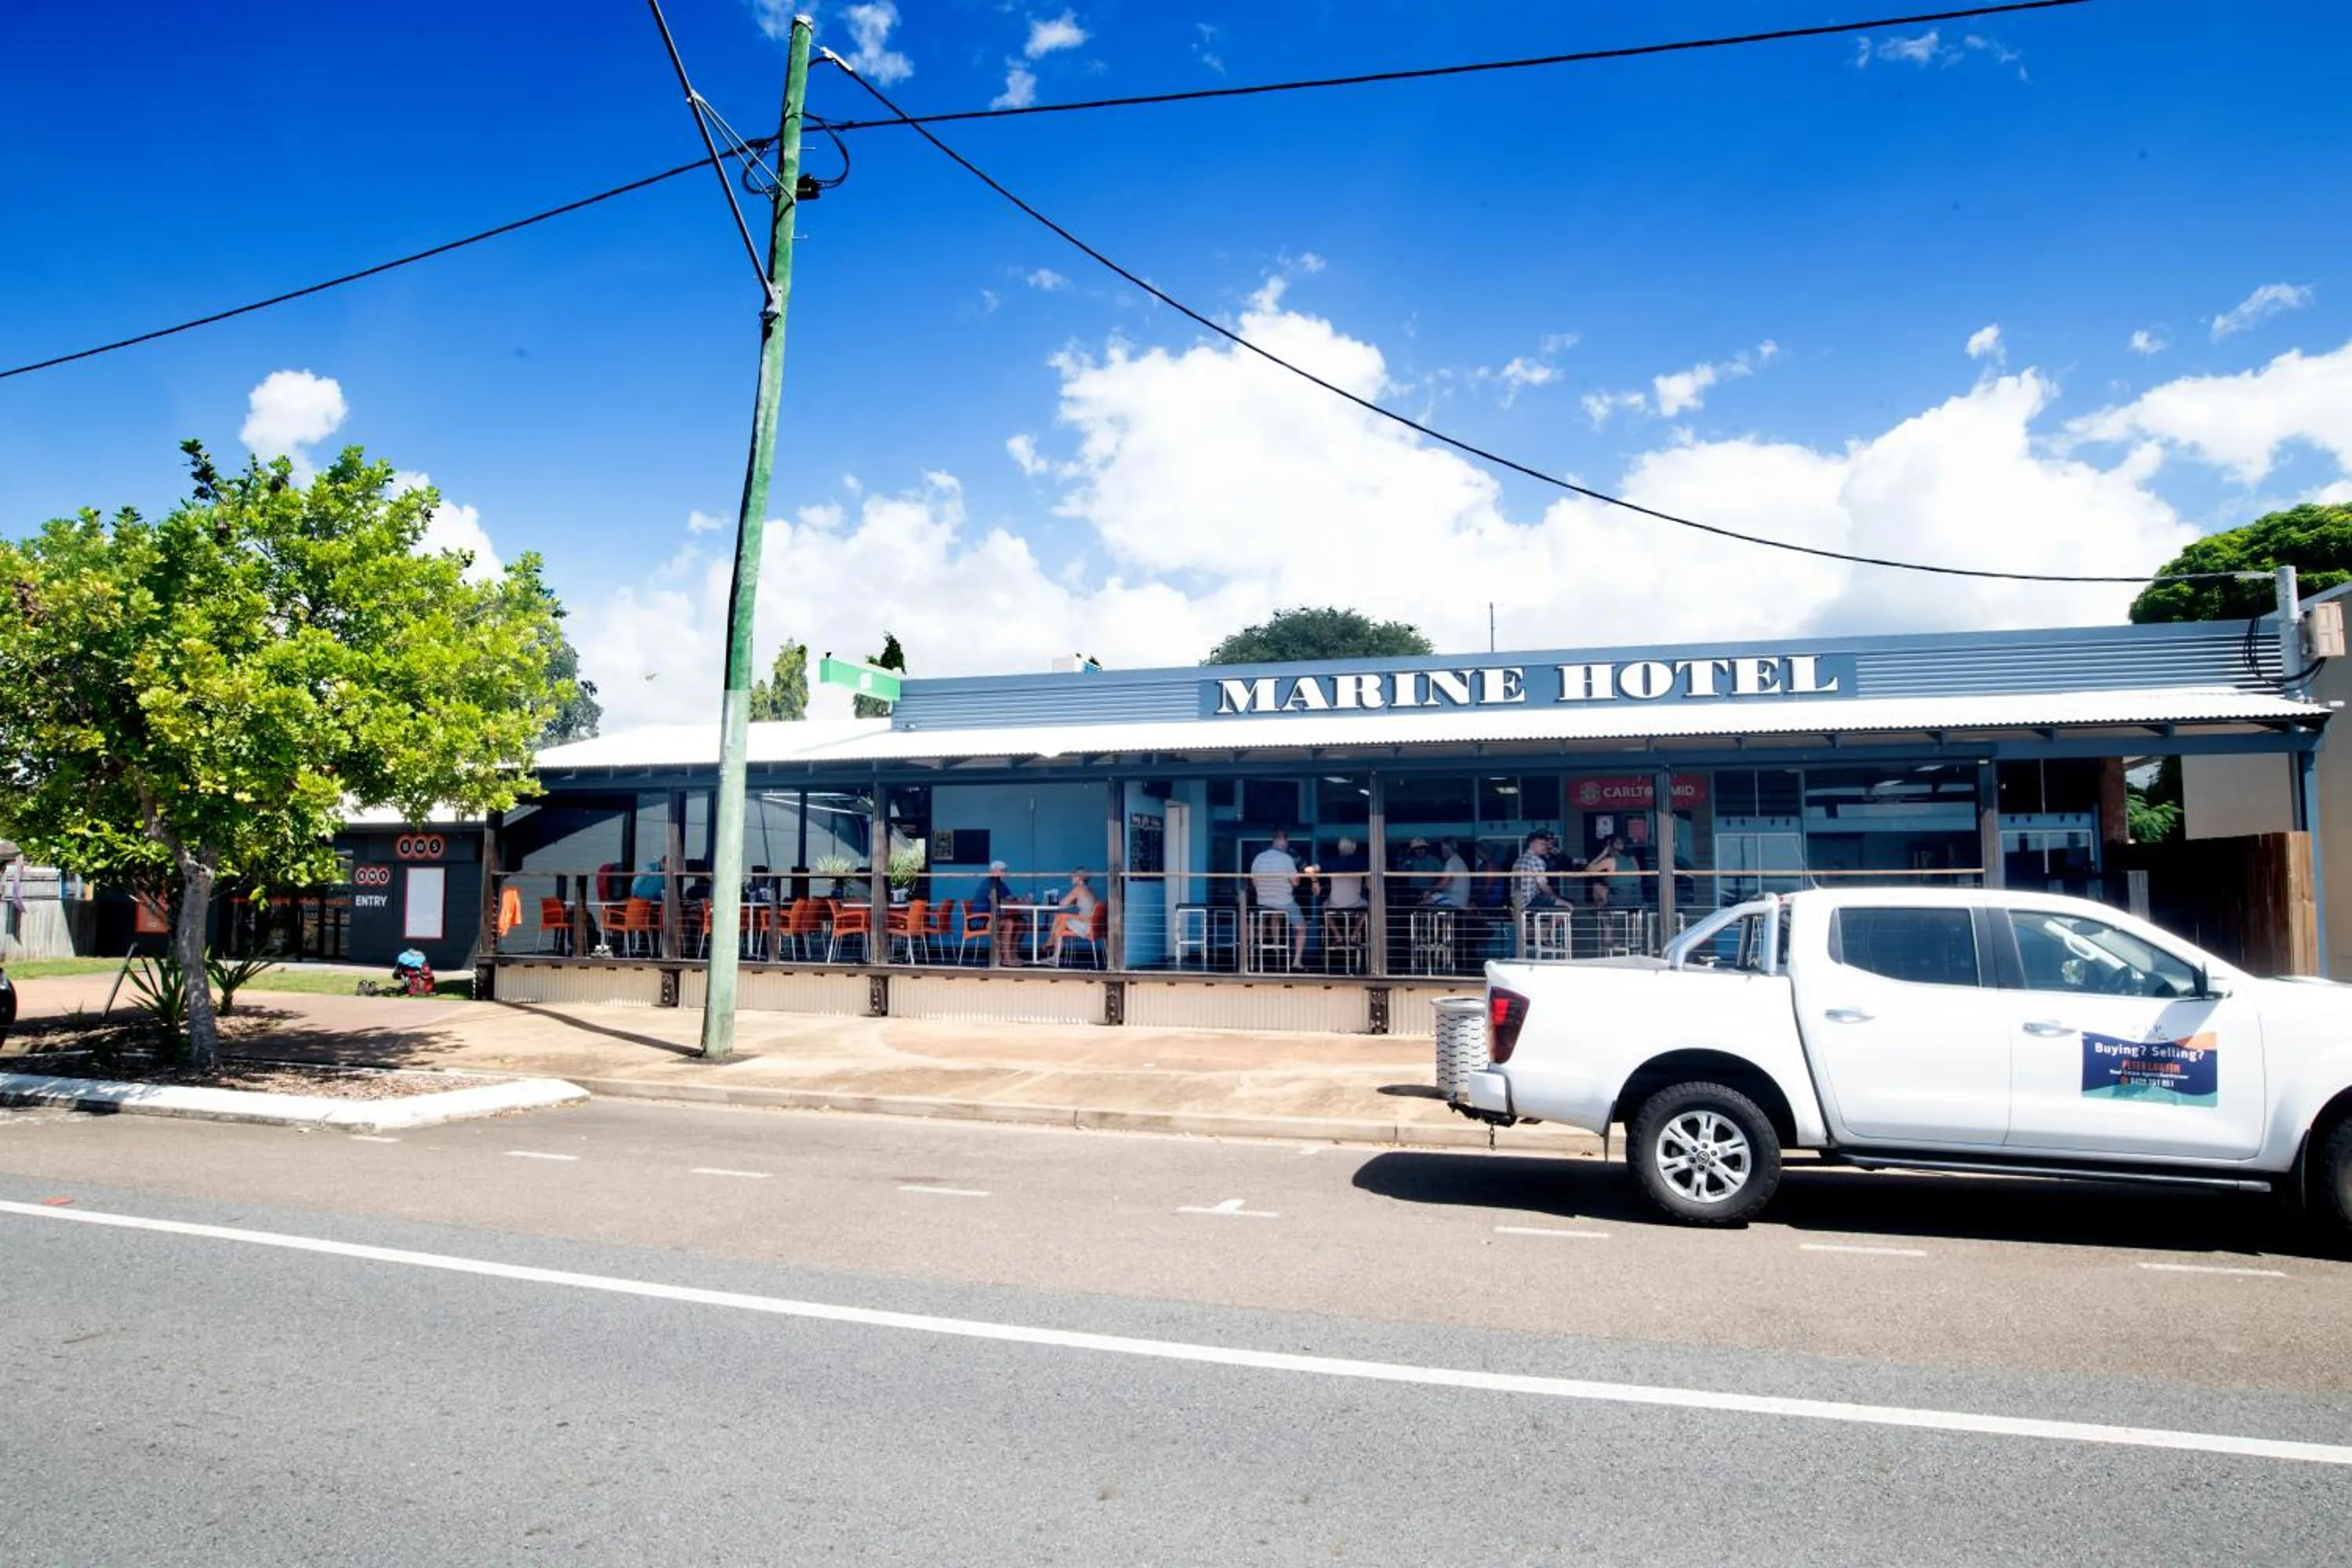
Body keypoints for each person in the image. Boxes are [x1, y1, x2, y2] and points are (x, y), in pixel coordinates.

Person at [1250, 830, 1309, 968]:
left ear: (1273, 841)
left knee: (1274, 914)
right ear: (1284, 842)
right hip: (1284, 901)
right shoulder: (1286, 858)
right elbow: (1295, 883)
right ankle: (1296, 961)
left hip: (1264, 901)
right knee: (1301, 928)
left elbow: (1254, 882)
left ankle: (1272, 948)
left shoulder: (1259, 858)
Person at [1321, 836, 1369, 962]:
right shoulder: (1361, 861)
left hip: (1335, 903)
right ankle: (1354, 937)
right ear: (1354, 847)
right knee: (1365, 909)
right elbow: (1370, 882)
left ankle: (1338, 937)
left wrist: (1314, 881)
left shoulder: (1332, 861)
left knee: (1324, 907)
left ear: (1339, 847)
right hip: (1355, 903)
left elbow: (1312, 869)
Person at [1044, 867, 1101, 965]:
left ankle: (1052, 948)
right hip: (1094, 925)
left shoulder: (1078, 889)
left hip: (1086, 926)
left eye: (1074, 876)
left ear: (1079, 878)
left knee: (1061, 918)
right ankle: (1052, 948)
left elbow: (1062, 904)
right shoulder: (1090, 889)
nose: (1071, 878)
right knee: (1060, 918)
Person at [1512, 831, 1563, 913]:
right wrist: (1556, 898)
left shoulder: (1519, 860)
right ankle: (1551, 922)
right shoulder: (1536, 860)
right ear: (1532, 844)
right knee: (1566, 905)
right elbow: (1543, 886)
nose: (1545, 847)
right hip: (1530, 901)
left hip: (1517, 901)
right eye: (1541, 844)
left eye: (1545, 845)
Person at [1432, 838, 1472, 909]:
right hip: (1460, 900)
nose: (1442, 851)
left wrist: (1429, 890)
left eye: (1444, 849)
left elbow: (1444, 883)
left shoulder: (1451, 862)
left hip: (1453, 900)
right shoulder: (1458, 860)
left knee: (1421, 904)